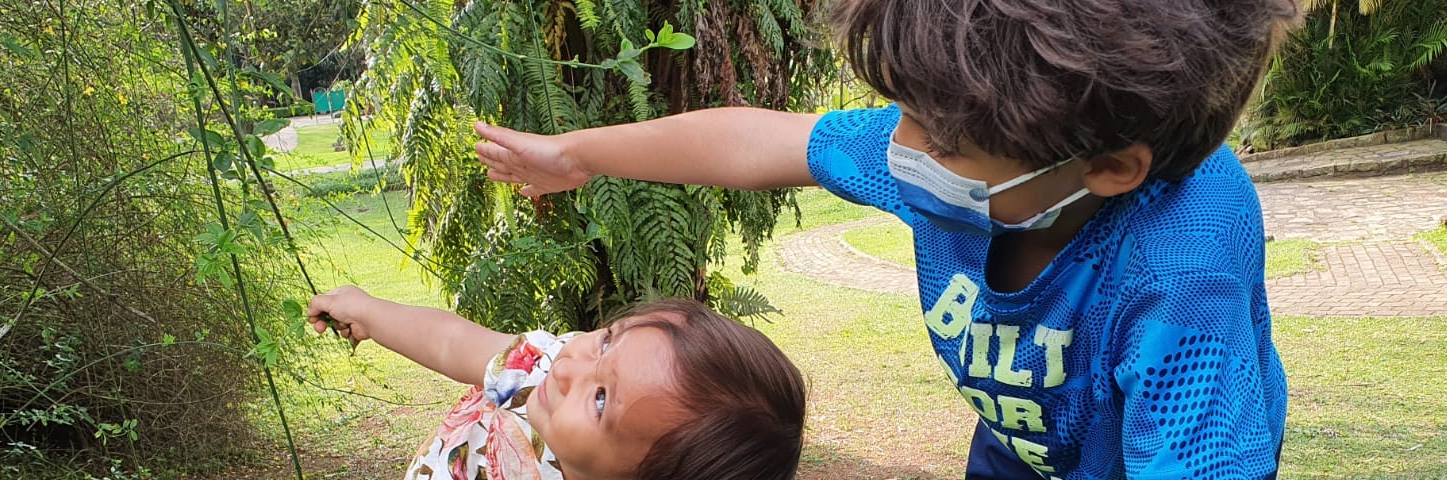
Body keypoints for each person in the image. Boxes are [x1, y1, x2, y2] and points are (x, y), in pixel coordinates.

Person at [471, 0, 1303, 477]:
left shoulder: (1184, 274)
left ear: (1112, 168)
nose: (898, 151)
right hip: (1020, 454)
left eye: (939, 144)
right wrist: (573, 155)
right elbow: (761, 142)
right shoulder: (976, 138)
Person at [306, 286, 806, 480]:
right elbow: (452, 342)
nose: (568, 367)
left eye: (601, 399)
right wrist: (372, 311)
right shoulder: (540, 367)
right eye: (608, 341)